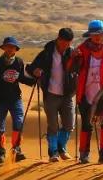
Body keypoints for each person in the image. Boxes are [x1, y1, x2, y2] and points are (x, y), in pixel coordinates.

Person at [70, 21, 103, 164]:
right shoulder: (82, 50)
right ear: (90, 36)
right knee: (87, 124)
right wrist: (74, 58)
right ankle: (84, 154)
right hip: (85, 93)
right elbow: (71, 69)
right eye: (95, 35)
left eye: (100, 34)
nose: (98, 37)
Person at [26, 28, 77, 162]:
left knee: (69, 124)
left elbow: (80, 68)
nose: (66, 46)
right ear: (58, 39)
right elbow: (30, 67)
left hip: (67, 95)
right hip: (51, 94)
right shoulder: (47, 53)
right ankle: (53, 152)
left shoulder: (72, 53)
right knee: (53, 125)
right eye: (64, 42)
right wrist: (35, 71)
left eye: (69, 43)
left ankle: (61, 148)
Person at [0, 36, 35, 162]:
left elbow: (21, 78)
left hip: (15, 99)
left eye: (12, 47)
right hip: (0, 100)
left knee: (19, 123)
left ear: (15, 49)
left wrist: (34, 81)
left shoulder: (19, 62)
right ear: (4, 48)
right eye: (7, 46)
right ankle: (0, 152)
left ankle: (16, 149)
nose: (9, 49)